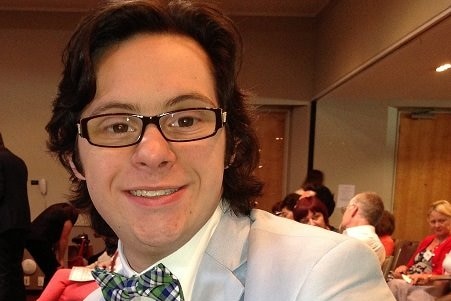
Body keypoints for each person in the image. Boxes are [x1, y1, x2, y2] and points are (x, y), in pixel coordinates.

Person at [45, 1, 395, 300]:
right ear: (75, 159)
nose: (153, 153)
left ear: (232, 144)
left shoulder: (323, 275)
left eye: (185, 121)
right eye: (118, 126)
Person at [388, 200, 451, 301]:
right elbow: (412, 264)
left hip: (431, 285)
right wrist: (404, 268)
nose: (437, 225)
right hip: (411, 280)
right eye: (433, 222)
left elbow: (442, 275)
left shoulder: (449, 242)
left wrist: (423, 276)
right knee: (390, 283)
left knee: (395, 285)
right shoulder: (428, 240)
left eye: (441, 221)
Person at [0, 132, 31, 301]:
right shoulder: (18, 161)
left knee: (3, 272)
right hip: (20, 223)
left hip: (3, 223)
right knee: (14, 270)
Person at [25, 202, 79, 287]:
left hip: (31, 238)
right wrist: (61, 259)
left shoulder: (58, 210)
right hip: (39, 240)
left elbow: (56, 239)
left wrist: (57, 257)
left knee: (51, 271)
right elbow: (64, 238)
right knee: (54, 271)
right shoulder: (70, 215)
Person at [340, 191, 386, 264]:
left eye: (346, 208)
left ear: (353, 209)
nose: (344, 213)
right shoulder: (373, 242)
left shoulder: (357, 241)